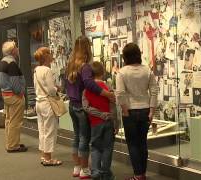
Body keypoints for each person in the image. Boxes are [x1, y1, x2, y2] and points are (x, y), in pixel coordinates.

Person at [66, 35, 115, 179]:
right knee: (84, 137)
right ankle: (84, 168)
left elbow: (67, 85)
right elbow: (88, 83)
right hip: (81, 107)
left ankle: (77, 167)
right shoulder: (85, 67)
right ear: (88, 48)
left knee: (76, 136)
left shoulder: (70, 64)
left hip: (72, 105)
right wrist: (105, 93)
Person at [116, 43, 158, 180]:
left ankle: (138, 175)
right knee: (142, 143)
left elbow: (120, 93)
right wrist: (152, 111)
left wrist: (124, 110)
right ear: (138, 54)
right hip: (145, 109)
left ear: (125, 56)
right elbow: (154, 91)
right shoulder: (147, 71)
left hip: (130, 111)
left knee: (133, 143)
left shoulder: (122, 72)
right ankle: (143, 173)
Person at [82, 62, 119, 180]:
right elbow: (113, 108)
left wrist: (99, 114)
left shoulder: (86, 90)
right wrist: (116, 123)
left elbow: (86, 107)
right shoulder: (108, 88)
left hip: (95, 123)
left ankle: (95, 171)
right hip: (108, 122)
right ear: (103, 73)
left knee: (95, 147)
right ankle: (106, 172)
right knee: (108, 148)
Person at [34, 47, 62, 166]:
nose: (51, 55)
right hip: (47, 103)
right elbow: (51, 90)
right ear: (45, 56)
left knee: (42, 130)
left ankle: (43, 155)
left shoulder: (36, 69)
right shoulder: (47, 70)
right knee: (50, 130)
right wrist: (57, 88)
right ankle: (48, 158)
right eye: (49, 53)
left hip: (38, 102)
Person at [0, 41, 27, 153]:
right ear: (12, 50)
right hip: (14, 96)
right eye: (16, 47)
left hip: (6, 95)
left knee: (9, 120)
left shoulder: (3, 61)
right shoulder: (12, 63)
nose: (18, 49)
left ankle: (10, 142)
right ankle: (13, 145)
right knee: (15, 121)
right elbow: (15, 82)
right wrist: (20, 92)